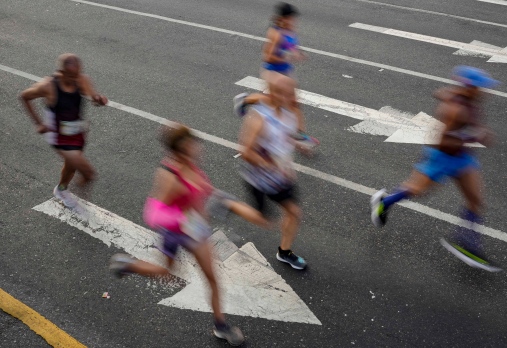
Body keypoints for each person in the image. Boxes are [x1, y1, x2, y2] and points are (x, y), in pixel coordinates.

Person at [109, 124, 270, 346]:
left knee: (212, 279)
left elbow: (207, 194)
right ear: (178, 151)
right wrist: (181, 220)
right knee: (168, 273)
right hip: (174, 233)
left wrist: (238, 209)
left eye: (194, 143)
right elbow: (153, 213)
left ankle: (221, 327)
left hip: (196, 232)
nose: (197, 148)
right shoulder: (169, 176)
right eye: (190, 146)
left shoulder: (192, 166)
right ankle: (129, 266)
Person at [370, 66, 501, 272]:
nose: (486, 91)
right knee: (417, 190)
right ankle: (385, 202)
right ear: (471, 88)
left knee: (476, 201)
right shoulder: (456, 110)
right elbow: (442, 142)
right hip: (442, 158)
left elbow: (441, 92)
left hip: (463, 158)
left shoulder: (468, 100)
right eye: (482, 87)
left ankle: (467, 243)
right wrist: (473, 136)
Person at [20, 53, 108, 208]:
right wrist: (39, 123)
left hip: (77, 132)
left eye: (78, 73)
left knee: (71, 166)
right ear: (61, 72)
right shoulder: (48, 86)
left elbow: (94, 98)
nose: (76, 79)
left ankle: (61, 189)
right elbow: (24, 96)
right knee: (88, 174)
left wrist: (99, 100)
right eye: (71, 75)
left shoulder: (81, 79)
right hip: (57, 136)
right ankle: (70, 194)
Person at [238, 74, 306, 270]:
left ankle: (284, 252)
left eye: (294, 92)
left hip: (281, 177)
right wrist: (271, 165)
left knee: (294, 213)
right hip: (259, 179)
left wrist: (300, 145)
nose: (294, 97)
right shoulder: (259, 118)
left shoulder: (290, 111)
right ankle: (229, 204)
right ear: (275, 94)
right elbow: (245, 152)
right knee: (265, 220)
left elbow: (290, 133)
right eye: (289, 93)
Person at [259, 2, 319, 152]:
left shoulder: (290, 29)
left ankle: (301, 135)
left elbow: (291, 46)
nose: (293, 21)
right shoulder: (276, 34)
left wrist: (297, 53)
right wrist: (288, 57)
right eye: (291, 18)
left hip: (286, 72)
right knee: (273, 106)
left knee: (294, 103)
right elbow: (267, 57)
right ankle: (248, 107)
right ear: (283, 19)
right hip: (274, 73)